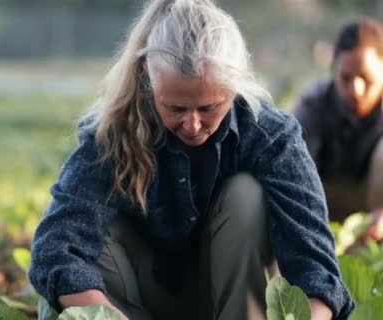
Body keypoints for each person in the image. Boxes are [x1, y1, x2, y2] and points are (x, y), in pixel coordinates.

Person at [29, 1, 354, 319]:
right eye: (175, 108)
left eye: (209, 108)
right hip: (135, 303)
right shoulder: (113, 132)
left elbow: (317, 270)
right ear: (148, 76)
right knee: (90, 230)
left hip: (234, 301)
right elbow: (55, 250)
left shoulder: (271, 136)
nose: (193, 125)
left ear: (235, 83)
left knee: (246, 195)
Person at [293, 18, 383, 229]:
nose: (356, 90)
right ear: (333, 71)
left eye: (366, 79)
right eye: (346, 79)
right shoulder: (313, 105)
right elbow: (294, 176)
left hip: (373, 211)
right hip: (321, 208)